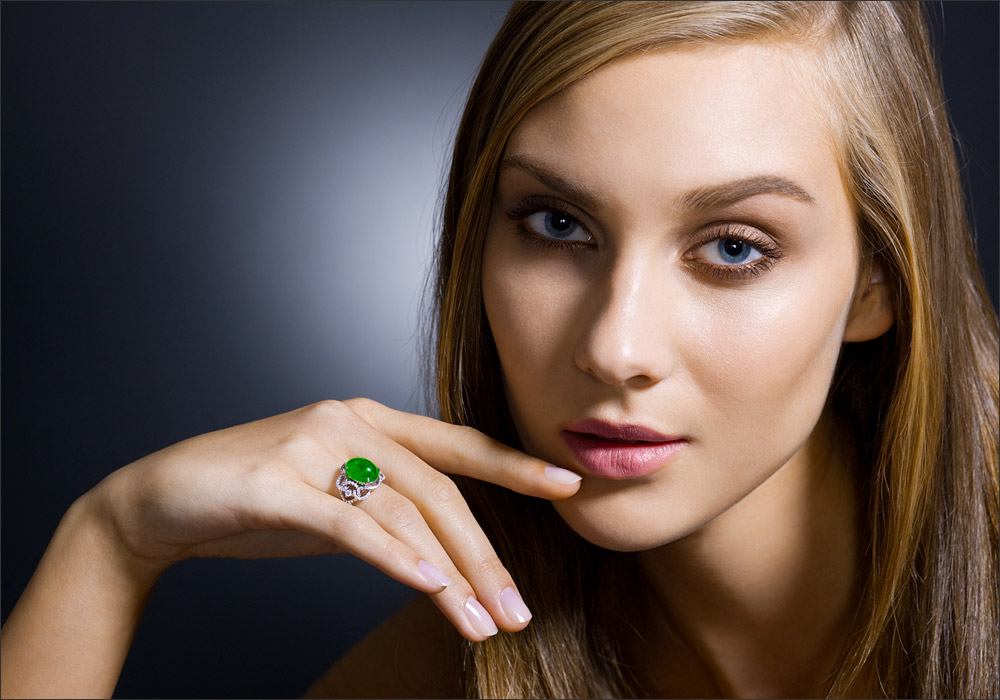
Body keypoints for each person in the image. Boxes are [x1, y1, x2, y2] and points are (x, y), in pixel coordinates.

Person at [2, 1, 997, 698]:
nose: (615, 347)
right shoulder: (469, 663)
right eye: (558, 225)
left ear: (878, 281)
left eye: (733, 247)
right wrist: (115, 540)